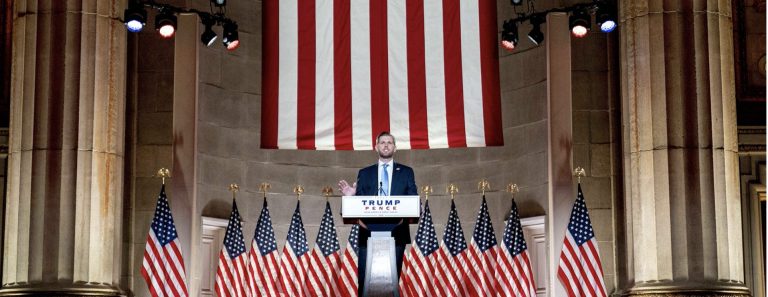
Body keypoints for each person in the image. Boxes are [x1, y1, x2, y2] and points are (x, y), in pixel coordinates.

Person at [338, 131, 417, 295]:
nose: (386, 145)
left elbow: (412, 198)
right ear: (376, 147)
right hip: (368, 232)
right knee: (365, 281)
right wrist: (351, 196)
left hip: (397, 232)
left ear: (395, 148)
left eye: (389, 142)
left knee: (391, 281)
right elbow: (358, 204)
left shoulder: (407, 172)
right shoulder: (365, 173)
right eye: (382, 142)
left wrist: (418, 205)